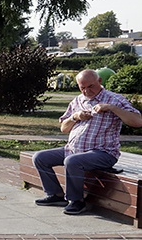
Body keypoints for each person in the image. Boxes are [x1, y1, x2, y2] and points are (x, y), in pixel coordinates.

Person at [33, 68, 142, 215]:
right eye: (82, 87)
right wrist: (75, 117)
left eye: (90, 86)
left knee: (72, 161)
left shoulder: (114, 99)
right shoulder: (78, 100)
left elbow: (137, 121)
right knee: (40, 157)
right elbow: (64, 129)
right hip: (72, 149)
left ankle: (77, 201)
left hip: (103, 153)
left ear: (100, 81)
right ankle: (55, 195)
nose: (86, 91)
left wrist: (112, 108)